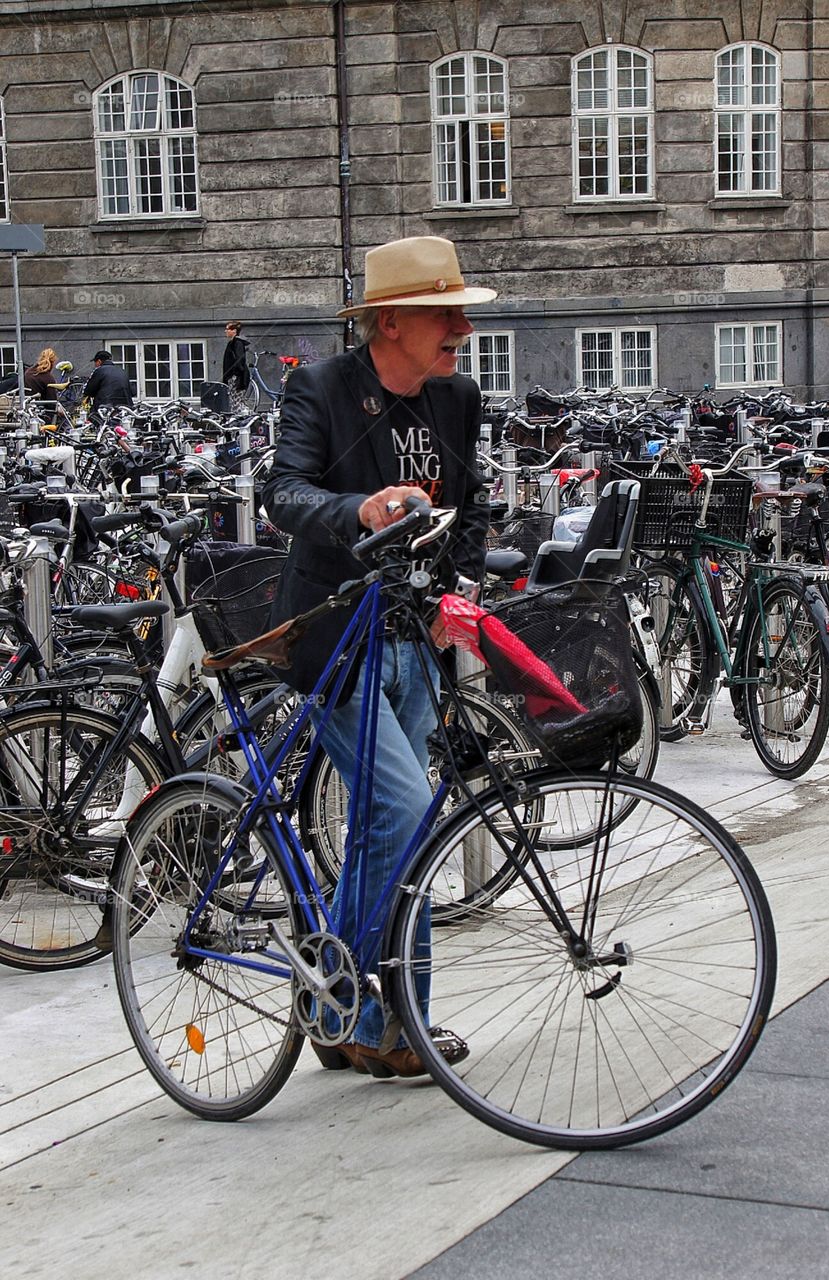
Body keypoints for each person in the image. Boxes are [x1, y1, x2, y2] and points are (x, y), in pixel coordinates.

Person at [262, 235, 495, 1078]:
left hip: (414, 638)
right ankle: (355, 1006)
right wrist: (361, 510)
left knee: (388, 830)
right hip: (333, 637)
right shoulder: (321, 388)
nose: (460, 330)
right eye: (445, 313)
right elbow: (283, 494)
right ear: (390, 321)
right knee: (402, 815)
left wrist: (452, 591)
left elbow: (471, 508)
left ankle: (391, 1026)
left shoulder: (457, 398)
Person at [222, 321, 251, 414]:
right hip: (234, 376)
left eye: (227, 329)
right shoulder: (233, 343)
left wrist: (235, 375)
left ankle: (242, 421)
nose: (225, 331)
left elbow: (239, 360)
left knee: (236, 403)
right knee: (235, 402)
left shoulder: (237, 343)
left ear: (234, 331)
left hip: (237, 377)